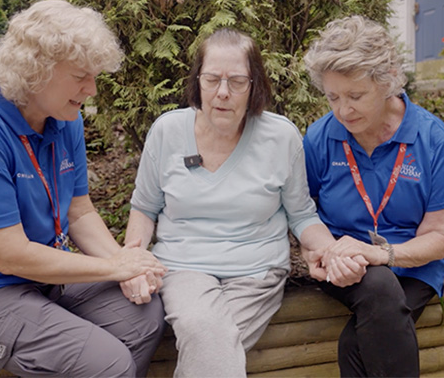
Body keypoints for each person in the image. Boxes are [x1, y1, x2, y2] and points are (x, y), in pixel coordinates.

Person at [0, 0, 168, 378]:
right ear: (35, 70)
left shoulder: (65, 119)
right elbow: (7, 256)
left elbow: (79, 211)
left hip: (42, 280)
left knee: (142, 316)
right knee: (107, 363)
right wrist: (113, 266)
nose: (93, 89)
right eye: (81, 75)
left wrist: (125, 268)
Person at [124, 27, 363, 377]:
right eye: (212, 79)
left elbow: (301, 215)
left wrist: (331, 251)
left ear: (255, 86)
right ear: (197, 82)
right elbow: (144, 208)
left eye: (237, 81)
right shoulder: (167, 132)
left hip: (257, 272)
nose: (223, 93)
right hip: (184, 266)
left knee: (210, 340)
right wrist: (133, 259)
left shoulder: (280, 137)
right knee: (204, 327)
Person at [303, 15, 444, 377]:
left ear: (388, 81)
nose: (343, 110)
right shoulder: (319, 137)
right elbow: (302, 215)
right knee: (375, 283)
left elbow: (441, 237)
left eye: (356, 96)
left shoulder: (431, 139)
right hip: (344, 266)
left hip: (413, 267)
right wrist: (318, 252)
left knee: (354, 345)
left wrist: (383, 253)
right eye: (333, 97)